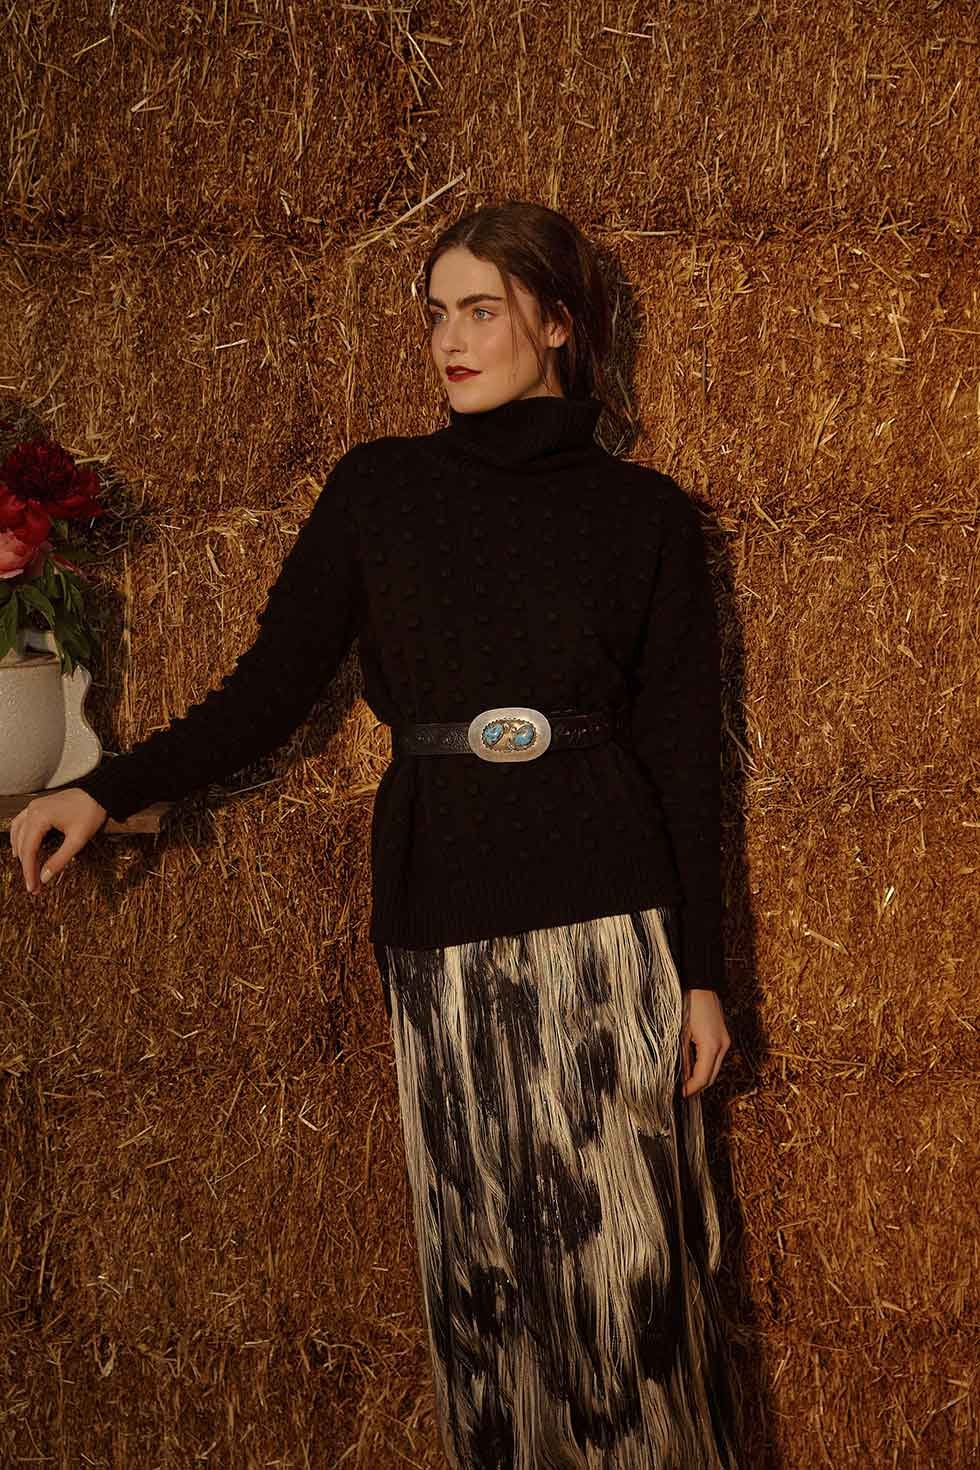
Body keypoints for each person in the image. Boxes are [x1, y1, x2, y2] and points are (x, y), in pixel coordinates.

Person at [11, 200, 742, 1468]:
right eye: (435, 314)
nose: (449, 340)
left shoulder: (645, 516)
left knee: (626, 1303)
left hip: (606, 927)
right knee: (484, 1301)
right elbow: (265, 691)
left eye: (480, 310)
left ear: (556, 325)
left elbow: (683, 759)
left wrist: (702, 975)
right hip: (438, 922)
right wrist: (104, 786)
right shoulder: (378, 490)